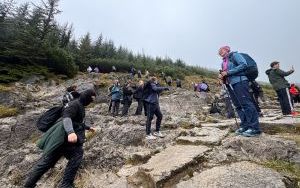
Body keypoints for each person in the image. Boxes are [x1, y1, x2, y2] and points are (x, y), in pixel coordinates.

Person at [24, 89, 96, 188]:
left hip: (62, 140)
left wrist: (88, 127)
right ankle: (66, 184)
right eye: (91, 99)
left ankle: (28, 185)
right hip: (65, 139)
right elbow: (67, 118)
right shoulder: (74, 104)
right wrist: (71, 132)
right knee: (76, 155)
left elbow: (78, 122)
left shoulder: (79, 105)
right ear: (86, 97)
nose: (91, 102)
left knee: (46, 163)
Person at [219, 46, 261, 137]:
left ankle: (254, 128)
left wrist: (228, 72)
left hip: (240, 81)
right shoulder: (223, 62)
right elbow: (226, 73)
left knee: (246, 103)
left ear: (227, 50)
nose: (219, 52)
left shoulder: (235, 55)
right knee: (238, 105)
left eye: (221, 50)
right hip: (230, 84)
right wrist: (222, 76)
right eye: (219, 51)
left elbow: (243, 64)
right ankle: (245, 126)